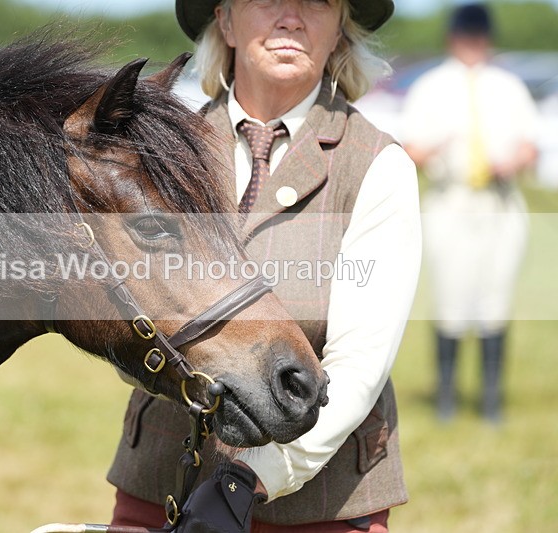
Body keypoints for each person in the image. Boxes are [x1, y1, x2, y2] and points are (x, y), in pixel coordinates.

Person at [107, 1, 421, 531]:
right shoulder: (160, 151)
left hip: (320, 502)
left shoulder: (378, 166)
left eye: (318, 1)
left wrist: (247, 480)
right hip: (160, 481)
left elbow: (358, 366)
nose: (292, 17)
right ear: (225, 20)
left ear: (340, 24)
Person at [400, 3, 538, 423]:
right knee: (451, 298)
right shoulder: (431, 87)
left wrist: (512, 161)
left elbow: (529, 143)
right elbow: (410, 149)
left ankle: (490, 396)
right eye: (467, 36)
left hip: (498, 200)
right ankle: (447, 393)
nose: (473, 44)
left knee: (495, 298)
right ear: (454, 38)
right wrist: (437, 145)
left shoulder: (508, 86)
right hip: (451, 198)